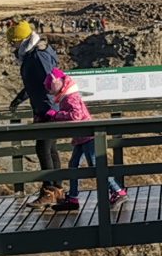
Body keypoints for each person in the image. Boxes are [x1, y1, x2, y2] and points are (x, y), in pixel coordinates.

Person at [43, 67, 127, 213]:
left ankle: (118, 191)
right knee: (73, 166)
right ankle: (73, 198)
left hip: (88, 136)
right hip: (81, 137)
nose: (50, 91)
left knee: (96, 165)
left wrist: (56, 115)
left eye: (50, 88)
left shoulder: (71, 96)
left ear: (57, 83)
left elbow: (76, 116)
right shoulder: (66, 95)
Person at [7, 20, 65, 206]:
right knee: (50, 149)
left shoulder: (37, 55)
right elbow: (35, 84)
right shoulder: (34, 53)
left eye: (13, 42)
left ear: (22, 40)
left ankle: (49, 191)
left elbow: (51, 82)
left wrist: (49, 108)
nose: (12, 46)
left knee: (43, 148)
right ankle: (57, 190)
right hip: (46, 107)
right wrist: (19, 98)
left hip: (48, 109)